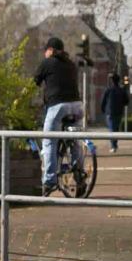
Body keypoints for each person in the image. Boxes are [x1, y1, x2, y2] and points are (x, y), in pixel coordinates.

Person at [32, 36, 83, 196]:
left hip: (57, 107)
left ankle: (49, 182)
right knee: (74, 142)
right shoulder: (71, 64)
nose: (45, 53)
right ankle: (80, 177)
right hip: (76, 107)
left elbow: (34, 82)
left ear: (51, 50)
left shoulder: (48, 63)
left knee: (49, 142)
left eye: (46, 50)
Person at [101, 72, 129, 152]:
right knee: (115, 129)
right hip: (119, 112)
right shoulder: (121, 90)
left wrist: (103, 109)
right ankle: (114, 145)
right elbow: (126, 101)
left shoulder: (108, 90)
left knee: (112, 129)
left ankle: (113, 146)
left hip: (109, 112)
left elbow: (103, 101)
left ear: (111, 81)